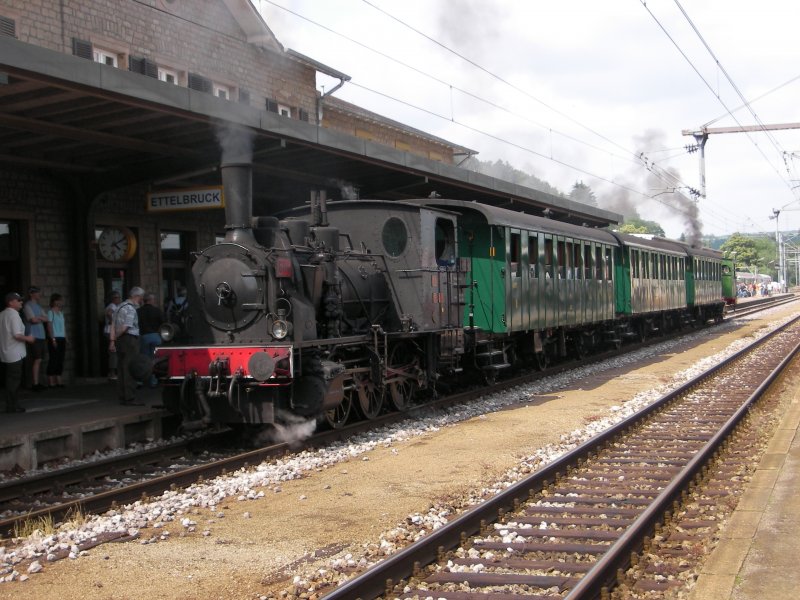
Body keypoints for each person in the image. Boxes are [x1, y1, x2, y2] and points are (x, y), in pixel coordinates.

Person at [109, 286, 144, 405]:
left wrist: (112, 340)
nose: (141, 301)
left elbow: (112, 325)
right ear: (136, 296)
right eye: (140, 298)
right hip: (129, 339)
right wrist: (118, 335)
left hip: (120, 341)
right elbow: (126, 327)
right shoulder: (131, 309)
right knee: (130, 368)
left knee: (121, 368)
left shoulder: (119, 307)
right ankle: (130, 397)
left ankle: (122, 396)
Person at [1, 292, 35, 412]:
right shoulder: (14, 315)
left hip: (6, 352)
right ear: (11, 302)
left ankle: (11, 404)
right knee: (14, 381)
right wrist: (29, 339)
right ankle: (12, 406)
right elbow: (17, 335)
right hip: (15, 353)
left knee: (10, 380)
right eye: (18, 300)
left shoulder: (2, 314)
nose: (21, 302)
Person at [23, 285, 49, 391]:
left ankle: (38, 381)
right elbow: (32, 320)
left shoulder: (38, 306)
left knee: (40, 359)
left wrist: (38, 318)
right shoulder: (27, 305)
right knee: (36, 359)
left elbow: (46, 318)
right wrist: (39, 318)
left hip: (41, 335)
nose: (39, 294)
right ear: (31, 294)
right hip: (33, 335)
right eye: (37, 292)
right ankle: (35, 383)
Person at [137, 292, 164, 387]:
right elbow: (163, 323)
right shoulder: (157, 310)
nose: (154, 301)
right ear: (150, 300)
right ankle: (153, 381)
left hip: (143, 336)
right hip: (156, 336)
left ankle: (140, 380)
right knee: (155, 359)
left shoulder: (138, 311)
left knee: (143, 359)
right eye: (153, 300)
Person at [45, 293, 67, 388]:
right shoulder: (51, 312)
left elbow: (63, 326)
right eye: (60, 300)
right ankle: (51, 380)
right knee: (53, 358)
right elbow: (49, 326)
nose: (61, 302)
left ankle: (58, 379)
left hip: (62, 337)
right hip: (54, 337)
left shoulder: (61, 313)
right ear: (55, 301)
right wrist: (52, 338)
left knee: (60, 358)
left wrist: (66, 337)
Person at [104, 291, 122, 380]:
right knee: (113, 353)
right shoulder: (112, 306)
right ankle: (112, 373)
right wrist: (113, 321)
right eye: (117, 298)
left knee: (114, 352)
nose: (119, 299)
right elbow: (109, 313)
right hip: (110, 331)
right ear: (113, 299)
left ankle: (113, 372)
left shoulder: (116, 306)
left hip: (112, 332)